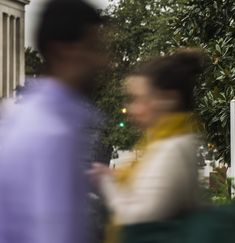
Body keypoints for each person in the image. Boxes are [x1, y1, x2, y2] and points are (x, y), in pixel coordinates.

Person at [0, 1, 107, 243]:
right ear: (61, 51)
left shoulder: (29, 118)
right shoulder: (50, 132)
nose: (104, 61)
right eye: (94, 48)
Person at [88, 49, 207, 243]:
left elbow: (137, 222)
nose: (132, 109)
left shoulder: (172, 149)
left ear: (168, 99)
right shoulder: (163, 142)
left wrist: (106, 183)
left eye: (139, 99)